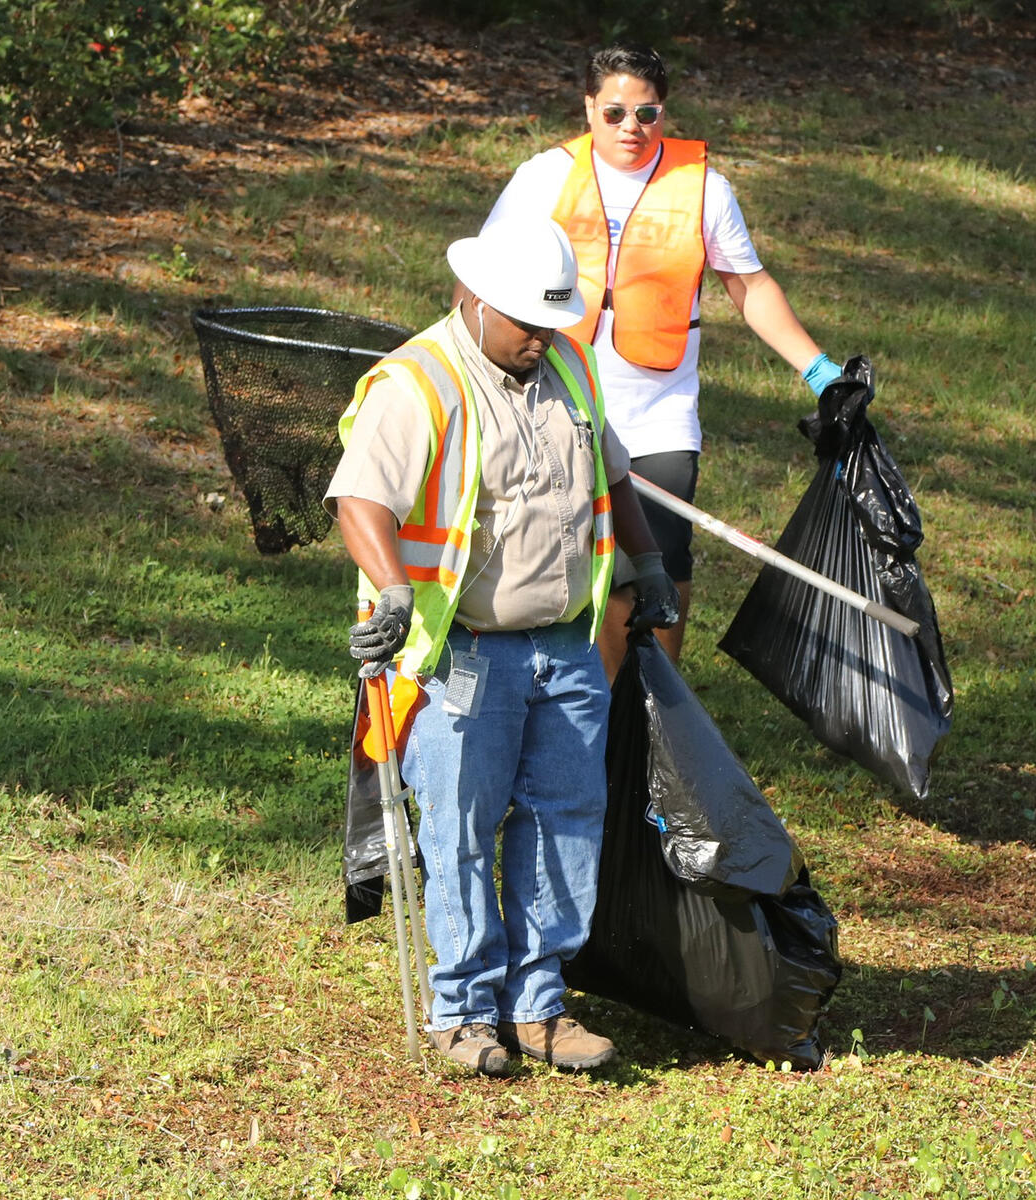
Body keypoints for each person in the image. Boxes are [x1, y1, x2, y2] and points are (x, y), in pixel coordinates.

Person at [324, 217, 678, 1077]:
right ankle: (462, 1012)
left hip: (564, 648)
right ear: (475, 301)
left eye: (552, 323)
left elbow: (614, 472)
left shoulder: (569, 362)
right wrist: (396, 590)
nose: (539, 339)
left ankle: (538, 1005)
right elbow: (358, 500)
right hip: (464, 655)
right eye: (525, 324)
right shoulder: (418, 383)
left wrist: (650, 563)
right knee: (460, 832)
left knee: (566, 819)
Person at [468, 41, 844, 679]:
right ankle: (596, 698)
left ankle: (660, 709)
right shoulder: (544, 177)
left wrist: (821, 373)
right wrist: (460, 361)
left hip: (658, 410)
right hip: (558, 399)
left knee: (663, 557)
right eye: (614, 113)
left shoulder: (705, 190)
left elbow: (748, 286)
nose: (631, 129)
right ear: (589, 108)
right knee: (578, 553)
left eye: (647, 114)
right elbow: (480, 277)